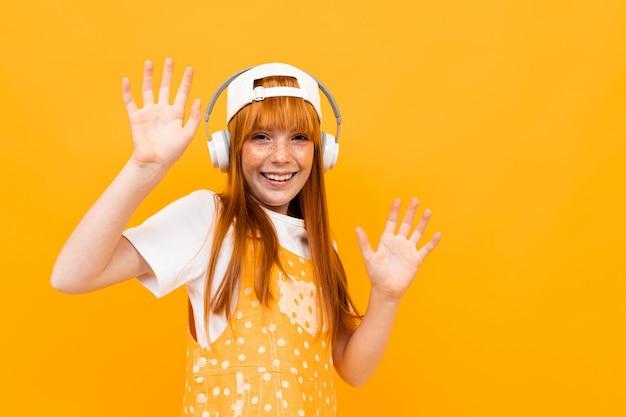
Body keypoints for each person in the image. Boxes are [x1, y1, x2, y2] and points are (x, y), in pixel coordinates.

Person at [51, 57, 442, 417]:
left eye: (299, 138)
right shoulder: (211, 219)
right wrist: (143, 168)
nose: (281, 156)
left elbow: (352, 369)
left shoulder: (322, 246)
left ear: (322, 153)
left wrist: (387, 297)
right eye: (261, 137)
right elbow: (72, 275)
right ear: (228, 149)